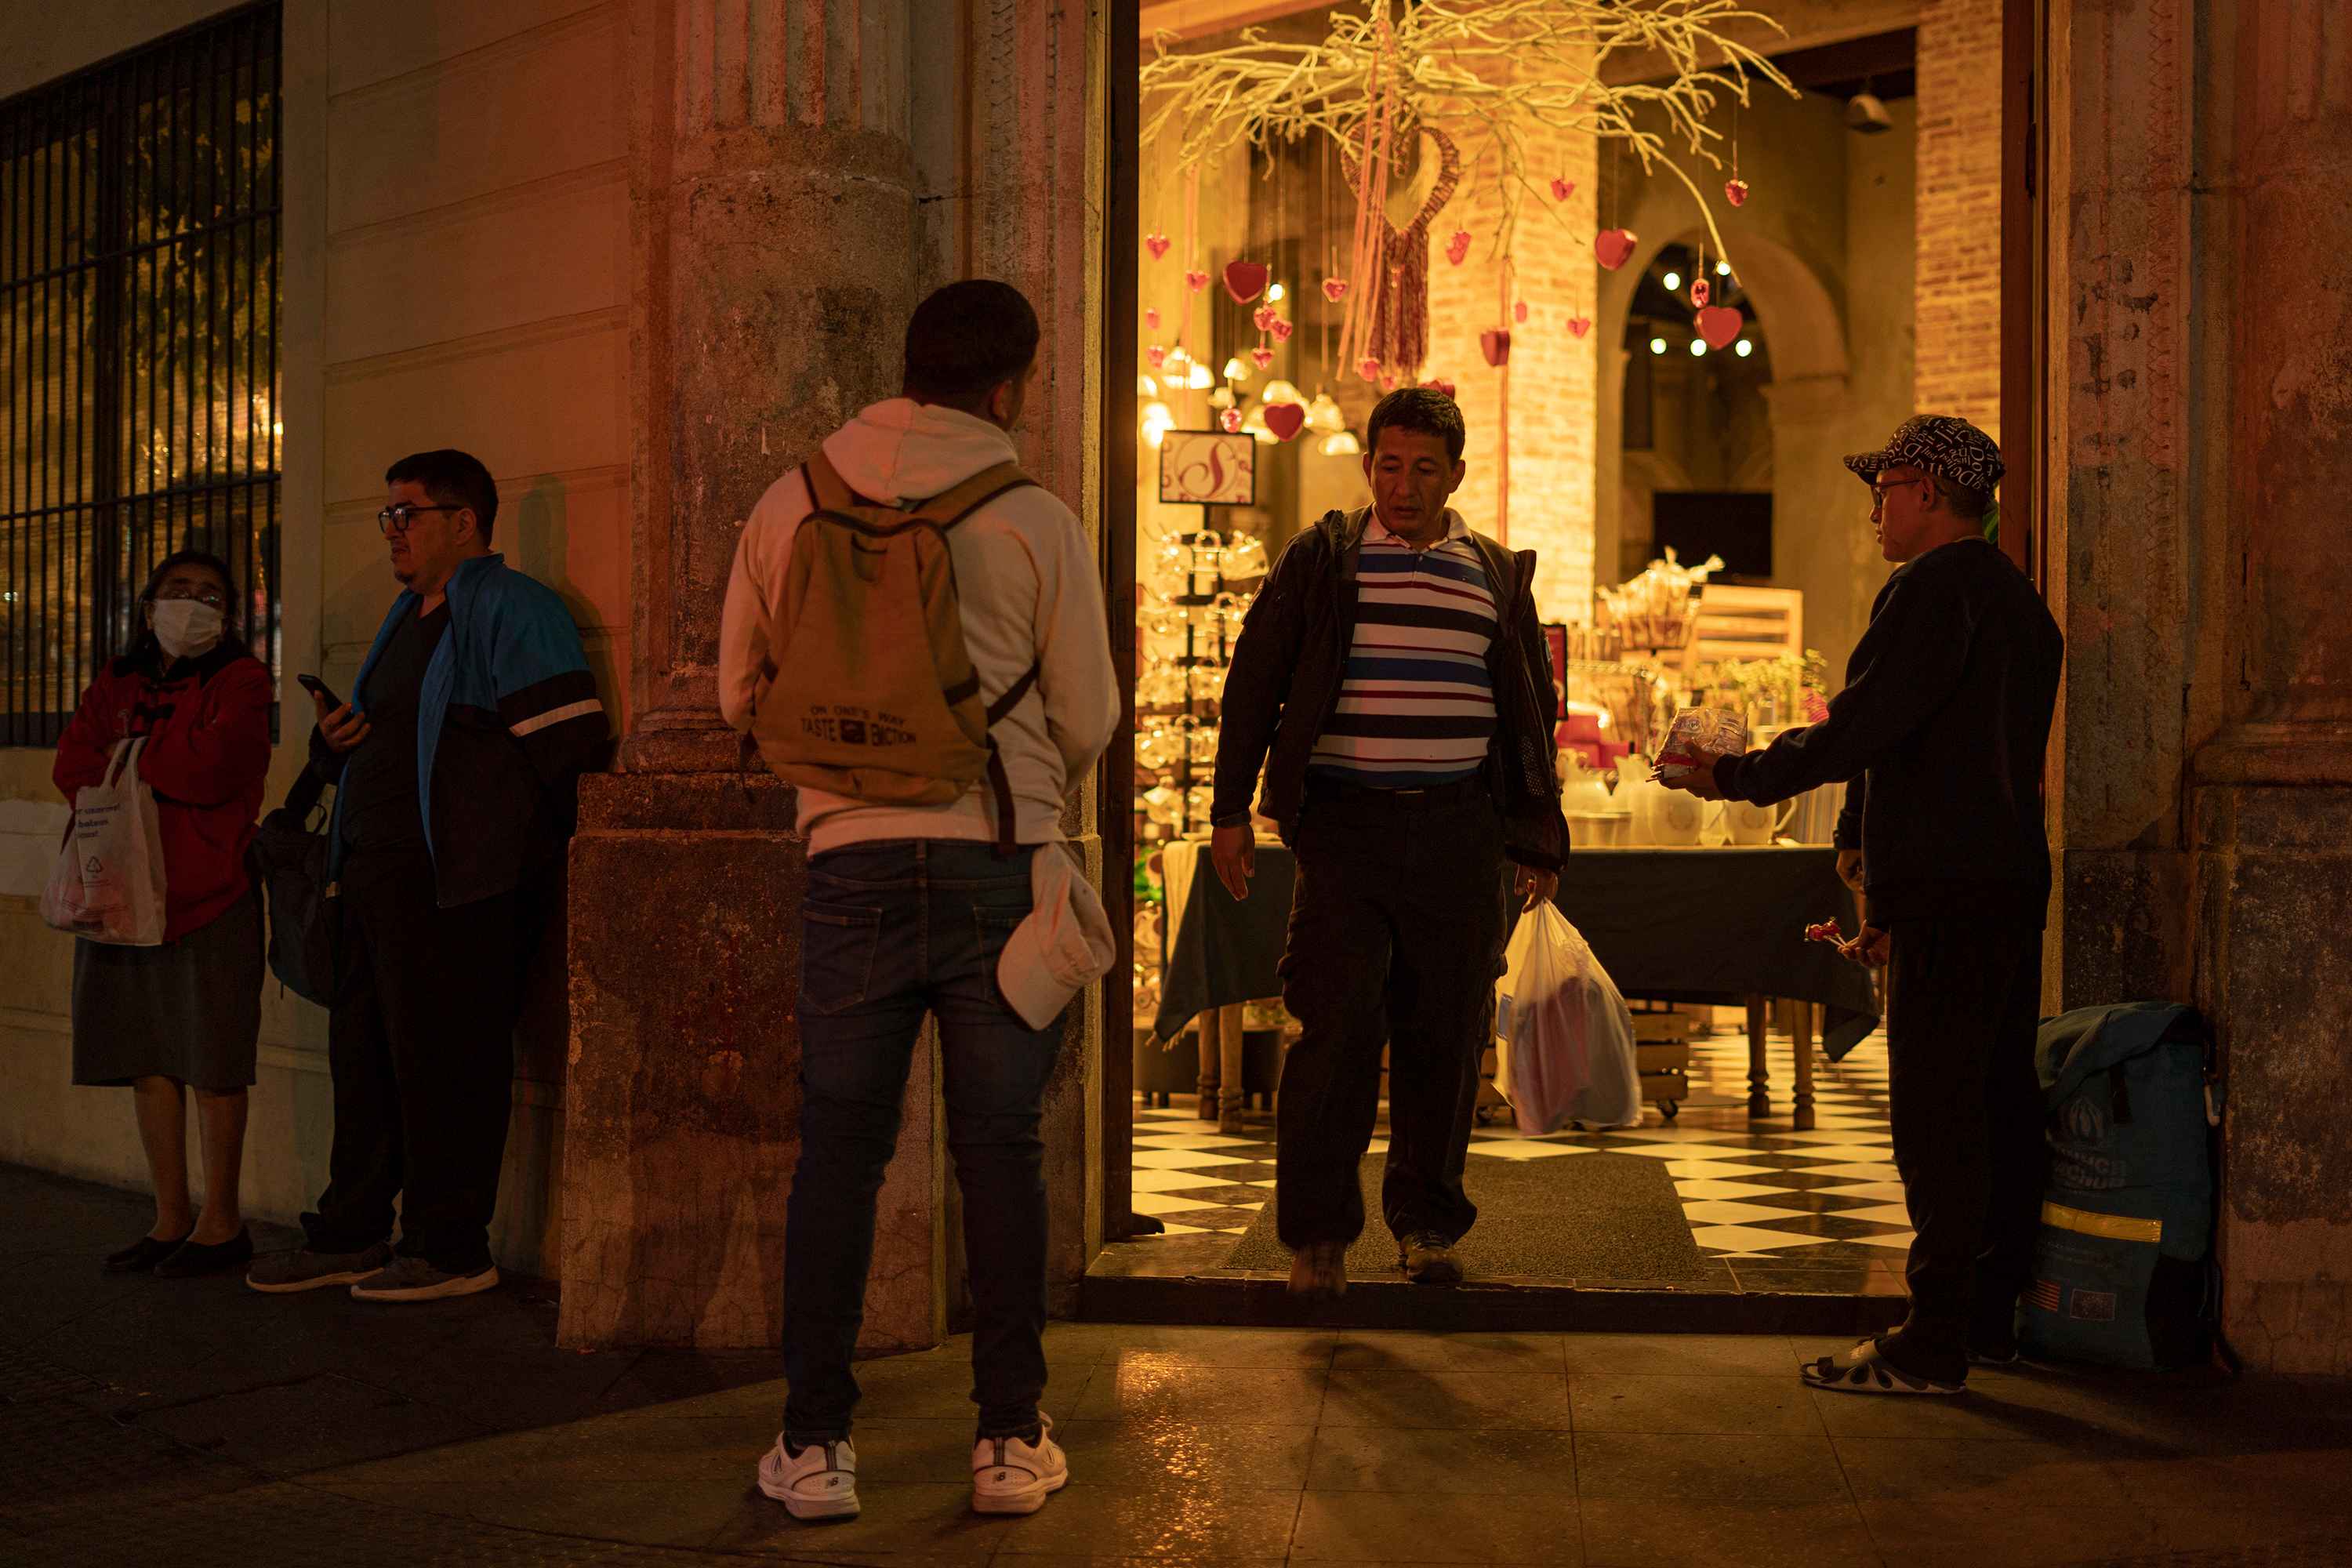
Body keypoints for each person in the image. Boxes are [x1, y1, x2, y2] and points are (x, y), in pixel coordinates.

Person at [718, 280, 1119, 1522]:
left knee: (838, 1154)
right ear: (1010, 387)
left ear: (907, 365)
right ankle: (1007, 1441)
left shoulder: (792, 498)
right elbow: (1092, 711)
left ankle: (817, 1448)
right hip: (1000, 857)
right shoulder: (1036, 516)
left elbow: (741, 694)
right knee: (999, 1153)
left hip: (847, 866)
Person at [1667, 414, 2063, 1395]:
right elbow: (1931, 744)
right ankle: (1991, 1317)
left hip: (1949, 893)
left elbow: (1864, 726)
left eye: (1884, 487)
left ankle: (1932, 1339)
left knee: (1938, 1118)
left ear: (1929, 490)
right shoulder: (2021, 603)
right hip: (2005, 885)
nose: (1874, 509)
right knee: (1999, 1102)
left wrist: (1732, 775)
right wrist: (1867, 857)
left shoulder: (1930, 590)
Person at [1208, 386, 1567, 1299]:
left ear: (1456, 474)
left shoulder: (1493, 572)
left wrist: (1535, 830)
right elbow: (1255, 680)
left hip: (1461, 831)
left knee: (1444, 1036)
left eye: (1424, 468)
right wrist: (1229, 809)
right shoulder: (1324, 559)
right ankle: (1319, 1237)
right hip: (1345, 829)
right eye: (1388, 464)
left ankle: (1427, 1223)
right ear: (1368, 465)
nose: (1403, 484)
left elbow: (1532, 709)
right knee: (1332, 1032)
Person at [246, 449, 605, 1303]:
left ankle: (450, 1245)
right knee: (366, 1059)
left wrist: (524, 871)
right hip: (377, 879)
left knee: (446, 1065)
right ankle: (355, 1229)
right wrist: (330, 746)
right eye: (389, 516)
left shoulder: (514, 607)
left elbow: (569, 752)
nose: (393, 532)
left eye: (407, 514)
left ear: (465, 521)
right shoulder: (409, 615)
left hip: (460, 889)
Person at [55, 550, 273, 1279]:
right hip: (122, 894)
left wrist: (131, 754)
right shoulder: (116, 679)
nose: (192, 604)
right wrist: (158, 753)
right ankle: (169, 1215)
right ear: (148, 606)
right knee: (149, 1060)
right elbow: (72, 765)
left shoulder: (242, 678)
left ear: (231, 614)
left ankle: (222, 1223)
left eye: (210, 594)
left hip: (210, 896)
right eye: (178, 591)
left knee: (211, 1060)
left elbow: (215, 769)